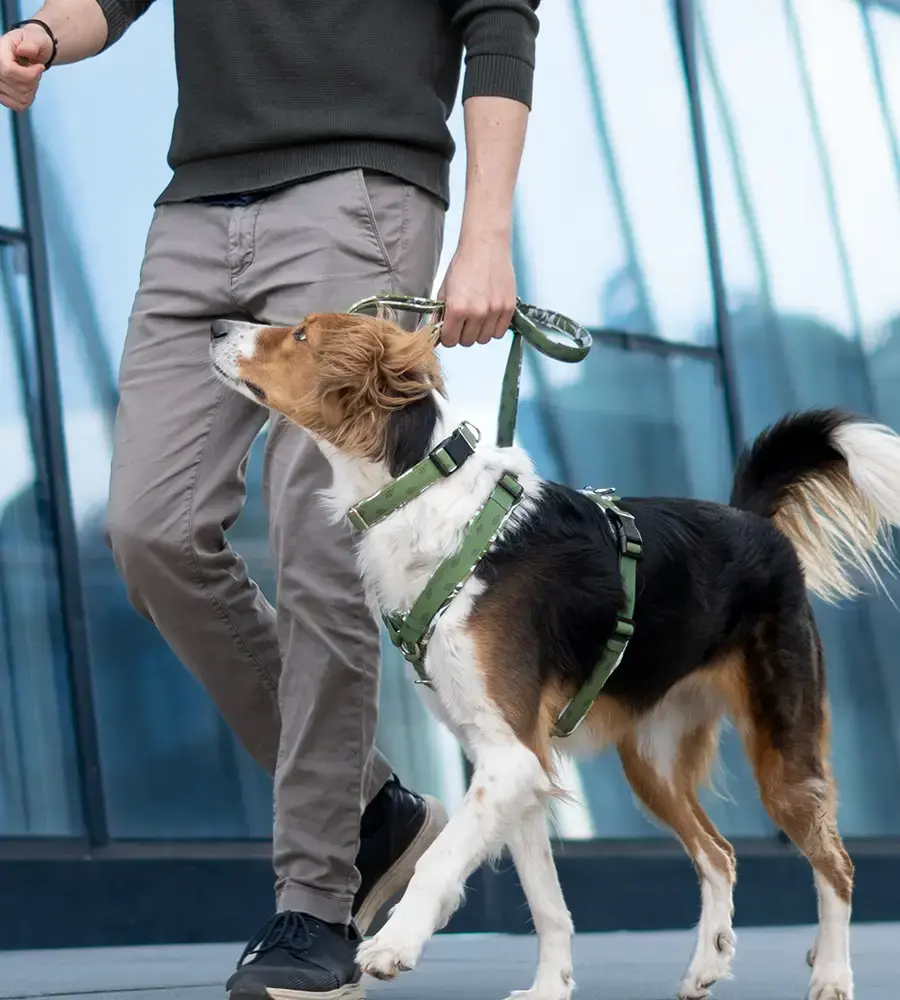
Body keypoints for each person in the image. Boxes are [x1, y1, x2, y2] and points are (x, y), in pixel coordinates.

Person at [0, 2, 539, 997]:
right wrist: (44, 33)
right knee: (151, 530)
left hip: (359, 191)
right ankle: (373, 813)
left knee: (321, 551)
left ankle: (317, 901)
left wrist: (487, 232)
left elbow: (497, 14)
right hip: (197, 202)